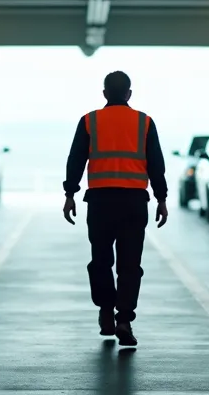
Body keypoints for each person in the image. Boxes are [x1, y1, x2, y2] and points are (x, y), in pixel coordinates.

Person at [63, 71, 169, 347]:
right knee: (130, 264)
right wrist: (162, 199)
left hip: (100, 202)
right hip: (134, 203)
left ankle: (106, 312)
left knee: (101, 261)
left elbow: (75, 160)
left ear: (104, 93)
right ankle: (124, 319)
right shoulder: (144, 122)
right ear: (129, 94)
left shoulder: (90, 121)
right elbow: (156, 164)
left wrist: (70, 193)